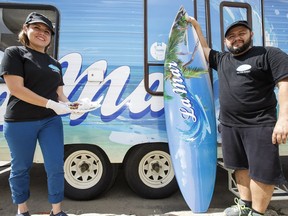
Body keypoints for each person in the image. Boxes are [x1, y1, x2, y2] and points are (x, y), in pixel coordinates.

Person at [186, 17, 288, 216]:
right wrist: (196, 26)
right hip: (230, 125)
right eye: (231, 36)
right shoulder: (223, 59)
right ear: (226, 42)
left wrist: (284, 118)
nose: (236, 38)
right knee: (239, 167)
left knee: (262, 173)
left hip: (260, 124)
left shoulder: (269, 54)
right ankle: (245, 206)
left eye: (241, 33)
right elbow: (204, 50)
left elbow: (285, 84)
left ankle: (258, 213)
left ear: (251, 34)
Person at [0, 12, 71, 216]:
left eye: (47, 31)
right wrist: (50, 103)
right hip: (20, 121)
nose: (42, 33)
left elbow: (60, 94)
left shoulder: (54, 63)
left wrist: (72, 105)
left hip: (49, 121)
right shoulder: (15, 53)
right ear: (26, 29)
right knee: (21, 167)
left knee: (55, 166)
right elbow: (16, 89)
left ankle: (57, 211)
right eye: (37, 28)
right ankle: (22, 210)